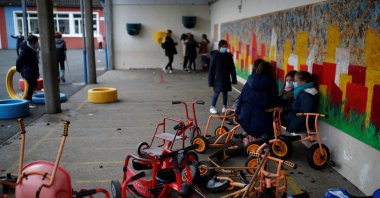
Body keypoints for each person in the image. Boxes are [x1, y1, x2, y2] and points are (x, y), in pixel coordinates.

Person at [235, 61, 280, 143]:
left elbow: (241, 98)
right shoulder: (272, 84)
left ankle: (251, 139)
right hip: (263, 120)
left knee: (253, 127)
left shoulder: (249, 81)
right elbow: (274, 103)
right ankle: (258, 142)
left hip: (244, 117)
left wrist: (237, 113)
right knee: (271, 127)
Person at [208, 39, 237, 114]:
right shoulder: (215, 55)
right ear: (219, 47)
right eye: (224, 47)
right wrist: (210, 81)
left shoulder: (228, 56)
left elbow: (232, 68)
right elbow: (211, 69)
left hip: (226, 78)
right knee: (216, 92)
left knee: (225, 93)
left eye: (226, 47)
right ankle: (212, 106)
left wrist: (234, 79)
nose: (225, 48)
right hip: (217, 78)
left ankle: (224, 106)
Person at [16, 34, 40, 108]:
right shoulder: (26, 50)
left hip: (32, 70)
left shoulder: (32, 49)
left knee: (34, 84)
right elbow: (19, 60)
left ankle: (26, 96)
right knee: (30, 86)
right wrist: (18, 69)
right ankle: (28, 101)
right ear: (33, 42)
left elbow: (34, 61)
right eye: (36, 42)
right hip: (27, 71)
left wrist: (37, 72)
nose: (37, 43)